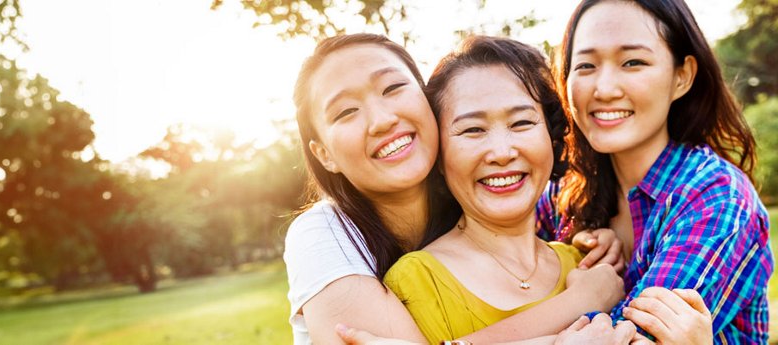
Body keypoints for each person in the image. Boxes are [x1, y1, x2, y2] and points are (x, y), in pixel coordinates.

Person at [284, 33, 625, 345]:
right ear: (324, 154)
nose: (383, 119)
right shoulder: (323, 234)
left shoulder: (481, 209)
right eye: (346, 111)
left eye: (392, 88)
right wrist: (581, 303)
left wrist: (589, 241)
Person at [542, 0, 773, 342]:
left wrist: (584, 297)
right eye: (586, 65)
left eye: (632, 62)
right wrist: (561, 257)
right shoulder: (563, 192)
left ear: (682, 77)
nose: (603, 89)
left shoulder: (716, 196)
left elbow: (628, 339)